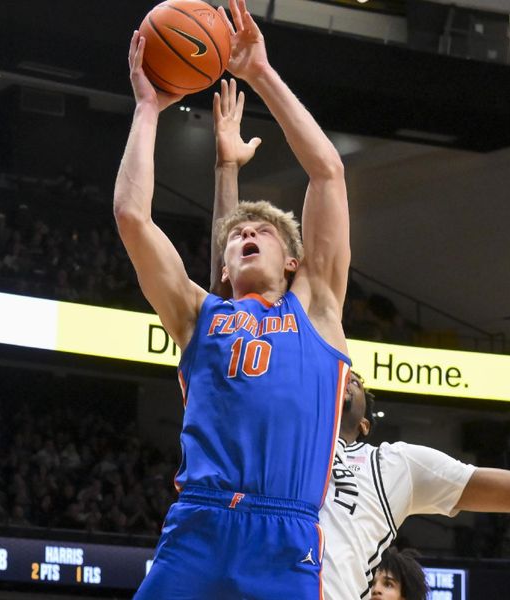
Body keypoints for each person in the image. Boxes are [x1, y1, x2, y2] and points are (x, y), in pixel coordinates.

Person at [208, 81, 510, 600]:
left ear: (362, 422)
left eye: (354, 378)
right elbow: (224, 310)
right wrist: (226, 170)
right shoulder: (273, 428)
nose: (348, 375)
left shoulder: (397, 467)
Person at [114, 0, 351, 596]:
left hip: (283, 536)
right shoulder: (199, 315)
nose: (246, 234)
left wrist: (260, 72)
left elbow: (326, 174)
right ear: (221, 264)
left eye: (262, 232)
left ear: (294, 261)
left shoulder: (316, 308)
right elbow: (132, 217)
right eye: (238, 234)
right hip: (198, 523)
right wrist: (148, 107)